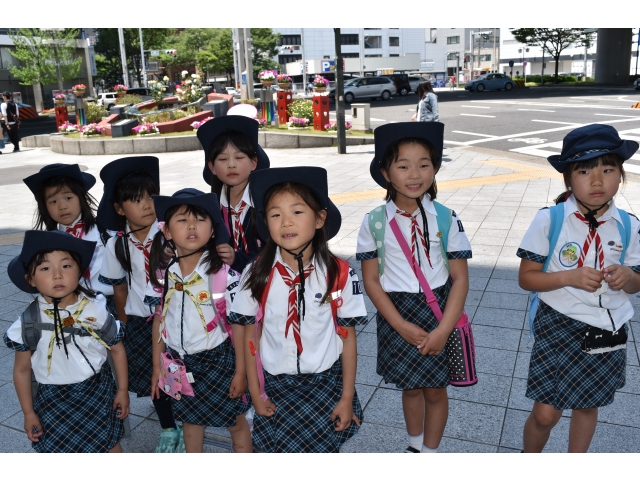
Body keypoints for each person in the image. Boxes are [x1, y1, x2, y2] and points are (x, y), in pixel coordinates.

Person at [517, 124, 640, 453]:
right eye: (584, 171)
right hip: (559, 324)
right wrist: (567, 277)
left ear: (621, 175)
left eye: (608, 169)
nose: (597, 181)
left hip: (607, 328)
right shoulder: (550, 220)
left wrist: (628, 276)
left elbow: (638, 280)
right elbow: (526, 277)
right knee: (545, 414)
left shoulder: (630, 225)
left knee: (587, 405)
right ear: (569, 179)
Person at [231, 166, 368, 452]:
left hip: (325, 384)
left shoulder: (338, 274)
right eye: (275, 214)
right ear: (265, 223)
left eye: (297, 211)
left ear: (319, 219)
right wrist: (256, 395)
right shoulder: (255, 275)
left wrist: (345, 397)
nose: (286, 223)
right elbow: (249, 337)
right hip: (276, 385)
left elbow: (347, 337)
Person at [356, 123, 472, 453]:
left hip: (439, 310)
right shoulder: (374, 221)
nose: (415, 174)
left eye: (424, 164)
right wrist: (400, 324)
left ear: (435, 169)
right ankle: (414, 446)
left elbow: (461, 279)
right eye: (403, 165)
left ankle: (430, 454)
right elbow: (371, 281)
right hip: (397, 311)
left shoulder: (446, 218)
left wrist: (443, 329)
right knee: (410, 387)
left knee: (436, 389)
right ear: (385, 172)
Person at [146, 188, 252, 453]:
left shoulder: (223, 275)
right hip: (179, 362)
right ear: (167, 231)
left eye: (200, 219)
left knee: (235, 422)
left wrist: (241, 372)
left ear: (213, 230)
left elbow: (240, 326)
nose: (192, 226)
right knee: (190, 420)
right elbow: (160, 320)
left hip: (218, 362)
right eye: (182, 220)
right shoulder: (166, 274)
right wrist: (157, 367)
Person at [3, 230, 129, 452]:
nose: (57, 275)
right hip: (53, 400)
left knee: (109, 444)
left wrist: (122, 390)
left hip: (97, 390)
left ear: (80, 270)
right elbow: (22, 370)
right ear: (30, 279)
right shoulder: (28, 322)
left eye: (66, 265)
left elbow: (117, 350)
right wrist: (29, 413)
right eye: (44, 268)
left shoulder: (95, 308)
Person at [97, 156, 181, 453]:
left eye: (150, 197)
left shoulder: (171, 233)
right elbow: (119, 287)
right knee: (154, 378)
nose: (146, 205)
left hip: (176, 319)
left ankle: (186, 419)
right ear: (119, 209)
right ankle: (169, 428)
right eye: (136, 200)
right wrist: (123, 323)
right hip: (141, 322)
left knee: (182, 373)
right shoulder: (117, 244)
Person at [23, 164, 116, 318]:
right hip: (74, 308)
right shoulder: (48, 245)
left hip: (114, 303)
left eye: (68, 197)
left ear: (81, 197)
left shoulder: (105, 231)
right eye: (53, 201)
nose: (62, 206)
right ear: (44, 207)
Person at [196, 116, 270, 274]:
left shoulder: (267, 204)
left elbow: (273, 253)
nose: (231, 164)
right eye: (222, 158)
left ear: (254, 163)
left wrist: (237, 259)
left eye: (239, 157)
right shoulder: (210, 209)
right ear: (212, 167)